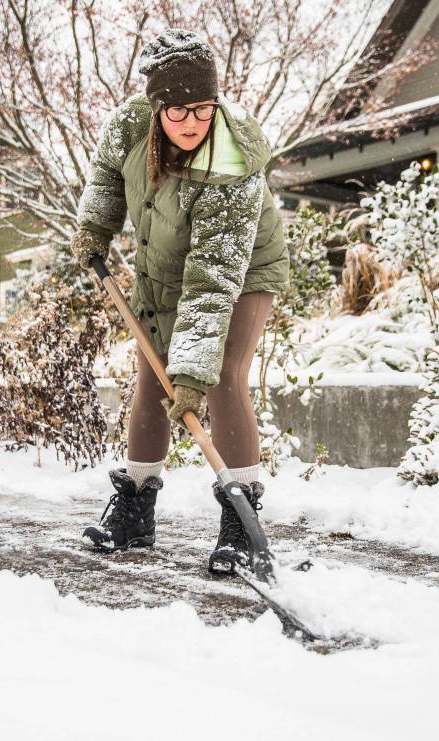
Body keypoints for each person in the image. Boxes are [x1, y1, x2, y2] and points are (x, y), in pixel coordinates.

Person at [71, 28, 289, 574]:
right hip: (162, 263)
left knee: (220, 377)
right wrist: (96, 225)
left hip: (241, 271)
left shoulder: (231, 167)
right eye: (179, 111)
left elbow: (212, 280)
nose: (193, 122)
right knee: (151, 378)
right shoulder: (128, 124)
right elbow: (105, 176)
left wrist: (192, 370)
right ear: (156, 106)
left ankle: (240, 521)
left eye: (204, 108)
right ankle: (135, 510)